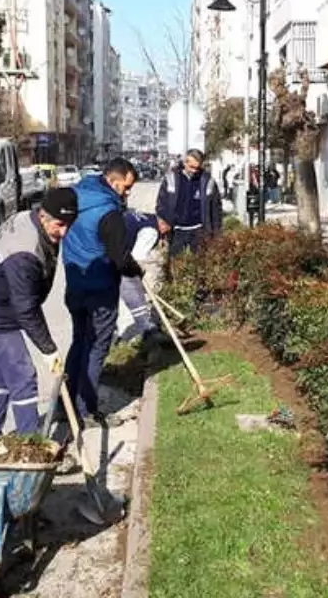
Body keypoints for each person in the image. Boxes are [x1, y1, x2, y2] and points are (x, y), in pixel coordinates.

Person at [0, 188, 78, 436]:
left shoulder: (36, 221)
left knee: (2, 376)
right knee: (23, 377)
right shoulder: (23, 252)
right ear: (43, 217)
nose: (65, 232)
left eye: (70, 224)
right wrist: (48, 349)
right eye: (60, 225)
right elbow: (26, 309)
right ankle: (31, 447)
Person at [62, 158, 145, 423]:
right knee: (97, 347)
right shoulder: (109, 212)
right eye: (126, 187)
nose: (128, 192)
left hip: (75, 285)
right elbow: (120, 258)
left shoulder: (77, 195)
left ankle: (66, 404)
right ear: (112, 180)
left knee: (79, 343)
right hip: (100, 290)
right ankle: (86, 410)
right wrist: (136, 270)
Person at [156, 148, 223, 257]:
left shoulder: (208, 181)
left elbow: (216, 209)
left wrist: (216, 233)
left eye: (197, 168)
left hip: (199, 230)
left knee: (199, 265)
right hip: (176, 231)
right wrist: (163, 227)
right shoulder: (171, 179)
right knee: (175, 264)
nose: (194, 171)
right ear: (185, 163)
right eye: (191, 167)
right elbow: (161, 204)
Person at [116, 208, 165, 344]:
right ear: (164, 226)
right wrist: (140, 274)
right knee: (129, 292)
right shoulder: (152, 231)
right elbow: (137, 258)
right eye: (167, 232)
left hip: (111, 241)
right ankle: (130, 335)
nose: (165, 237)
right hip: (115, 250)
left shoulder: (148, 217)